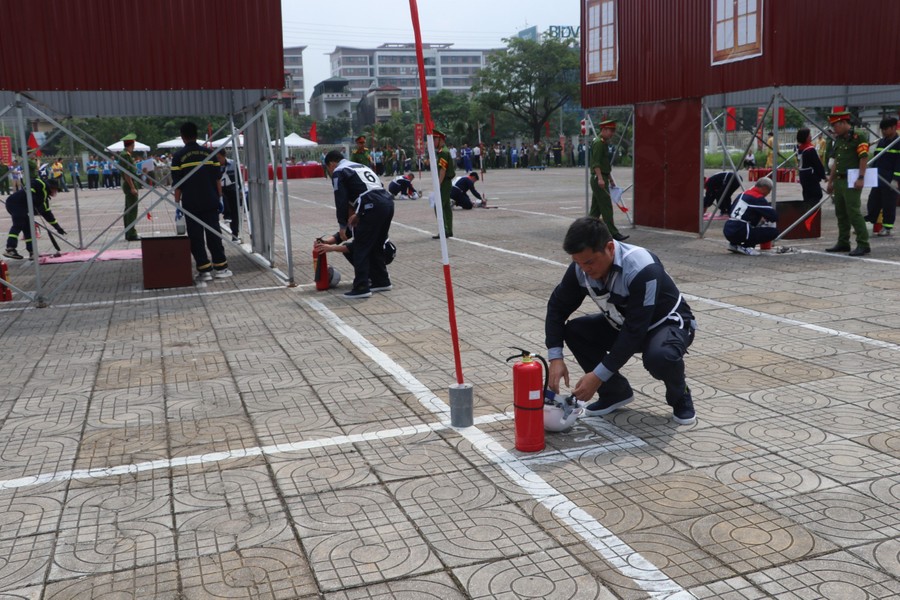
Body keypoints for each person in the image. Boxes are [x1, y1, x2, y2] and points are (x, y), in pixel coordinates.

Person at [545, 217, 697, 425]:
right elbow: (557, 308)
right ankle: (615, 393)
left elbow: (634, 331)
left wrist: (597, 376)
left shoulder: (642, 268)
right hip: (624, 323)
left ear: (609, 248)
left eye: (589, 262)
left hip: (666, 324)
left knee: (661, 357)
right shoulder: (580, 269)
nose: (584, 269)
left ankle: (680, 395)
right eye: (577, 262)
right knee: (575, 331)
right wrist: (555, 357)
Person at [323, 149, 394, 299]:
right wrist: (359, 212)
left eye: (328, 169)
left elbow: (341, 200)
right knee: (376, 244)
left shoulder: (339, 171)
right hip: (386, 202)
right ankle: (381, 280)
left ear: (331, 164)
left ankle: (362, 286)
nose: (329, 172)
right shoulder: (360, 166)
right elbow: (376, 187)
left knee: (361, 246)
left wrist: (342, 224)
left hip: (370, 203)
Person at [171, 121, 232, 281]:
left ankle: (204, 270)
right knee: (213, 233)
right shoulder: (209, 153)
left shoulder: (178, 157)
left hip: (191, 203)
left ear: (183, 137)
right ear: (196, 134)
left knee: (195, 236)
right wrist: (220, 198)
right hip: (210, 200)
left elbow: (177, 185)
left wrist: (177, 205)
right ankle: (221, 267)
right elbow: (217, 178)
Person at [824, 111, 870, 256]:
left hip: (852, 180)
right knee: (841, 213)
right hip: (839, 180)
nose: (834, 129)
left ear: (844, 123)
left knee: (853, 212)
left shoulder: (858, 136)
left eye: (835, 125)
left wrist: (861, 177)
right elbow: (836, 162)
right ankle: (843, 242)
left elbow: (863, 158)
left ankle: (863, 243)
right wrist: (830, 181)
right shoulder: (839, 139)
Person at [4, 177, 66, 260]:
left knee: (29, 228)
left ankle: (32, 252)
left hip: (22, 207)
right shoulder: (42, 184)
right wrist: (31, 194)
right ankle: (10, 249)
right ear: (51, 187)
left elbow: (48, 215)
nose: (56, 192)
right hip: (15, 203)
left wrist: (58, 227)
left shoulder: (44, 200)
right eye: (56, 190)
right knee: (18, 225)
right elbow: (33, 183)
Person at [589, 119, 628, 241]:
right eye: (610, 131)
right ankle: (613, 233)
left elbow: (605, 164)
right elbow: (596, 164)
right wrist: (601, 179)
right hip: (598, 178)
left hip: (603, 177)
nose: (612, 133)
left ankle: (586, 231)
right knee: (606, 207)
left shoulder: (603, 142)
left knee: (595, 210)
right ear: (604, 130)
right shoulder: (598, 143)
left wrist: (610, 179)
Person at [723, 177, 778, 256]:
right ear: (764, 188)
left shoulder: (742, 194)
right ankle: (747, 247)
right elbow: (774, 216)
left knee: (750, 219)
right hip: (741, 230)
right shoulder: (757, 198)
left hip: (728, 228)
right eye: (769, 191)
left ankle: (734, 244)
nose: (768, 193)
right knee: (773, 232)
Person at [865, 117, 900, 237]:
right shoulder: (882, 141)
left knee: (888, 204)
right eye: (882, 129)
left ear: (894, 127)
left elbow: (899, 163)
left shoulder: (898, 142)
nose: (884, 131)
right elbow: (876, 158)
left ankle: (887, 227)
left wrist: (896, 179)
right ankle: (869, 223)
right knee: (873, 201)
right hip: (878, 177)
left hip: (890, 179)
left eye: (886, 129)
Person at [432, 130, 455, 239]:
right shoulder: (442, 151)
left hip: (444, 182)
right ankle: (448, 230)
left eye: (434, 139)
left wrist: (438, 184)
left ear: (440, 140)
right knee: (445, 207)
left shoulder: (443, 152)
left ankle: (444, 230)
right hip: (445, 182)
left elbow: (443, 170)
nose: (433, 142)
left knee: (439, 206)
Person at [119, 134, 142, 241]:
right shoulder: (125, 155)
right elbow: (126, 173)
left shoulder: (125, 154)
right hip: (130, 184)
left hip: (130, 183)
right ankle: (131, 233)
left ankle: (128, 232)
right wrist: (132, 187)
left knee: (128, 209)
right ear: (132, 144)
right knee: (132, 209)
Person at [797, 128, 826, 208]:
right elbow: (817, 164)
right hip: (810, 176)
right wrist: (823, 176)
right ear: (805, 137)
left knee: (807, 196)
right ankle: (813, 215)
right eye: (809, 135)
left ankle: (807, 212)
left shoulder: (800, 148)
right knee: (816, 195)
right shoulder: (809, 149)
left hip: (803, 175)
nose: (811, 136)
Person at [216, 148, 241, 242]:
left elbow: (239, 177)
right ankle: (226, 215)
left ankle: (235, 234)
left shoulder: (233, 164)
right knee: (223, 201)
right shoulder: (214, 165)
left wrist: (241, 189)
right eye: (216, 158)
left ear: (224, 156)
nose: (218, 160)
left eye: (219, 158)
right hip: (219, 189)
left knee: (235, 213)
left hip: (231, 188)